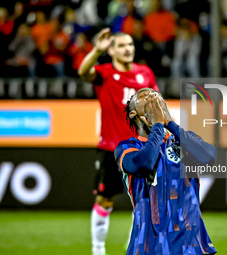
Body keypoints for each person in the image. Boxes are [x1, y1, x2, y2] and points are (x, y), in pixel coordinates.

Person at [78, 28, 159, 255]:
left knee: (146, 200)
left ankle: (136, 243)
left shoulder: (145, 73)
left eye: (130, 45)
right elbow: (83, 72)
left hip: (141, 148)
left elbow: (155, 108)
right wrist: (96, 50)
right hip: (112, 149)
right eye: (122, 45)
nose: (127, 49)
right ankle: (98, 248)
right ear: (111, 50)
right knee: (105, 200)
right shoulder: (104, 73)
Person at [114, 88, 217, 255]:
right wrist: (157, 126)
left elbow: (209, 156)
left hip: (192, 245)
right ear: (133, 114)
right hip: (149, 246)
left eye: (157, 98)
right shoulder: (127, 148)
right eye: (146, 98)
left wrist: (169, 123)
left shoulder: (183, 140)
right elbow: (145, 164)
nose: (154, 98)